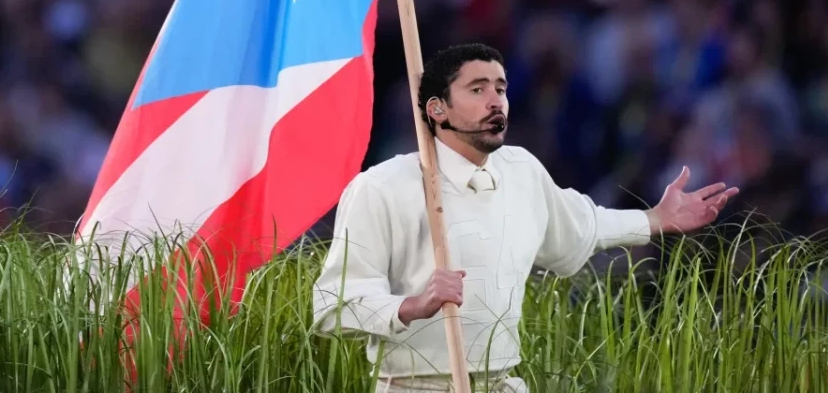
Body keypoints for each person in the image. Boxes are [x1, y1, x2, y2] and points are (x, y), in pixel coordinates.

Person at [311, 43, 738, 392]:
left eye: (501, 88)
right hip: (412, 387)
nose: (496, 100)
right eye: (477, 90)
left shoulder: (522, 170)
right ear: (437, 109)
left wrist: (653, 219)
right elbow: (331, 305)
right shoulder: (381, 186)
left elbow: (581, 224)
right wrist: (411, 305)